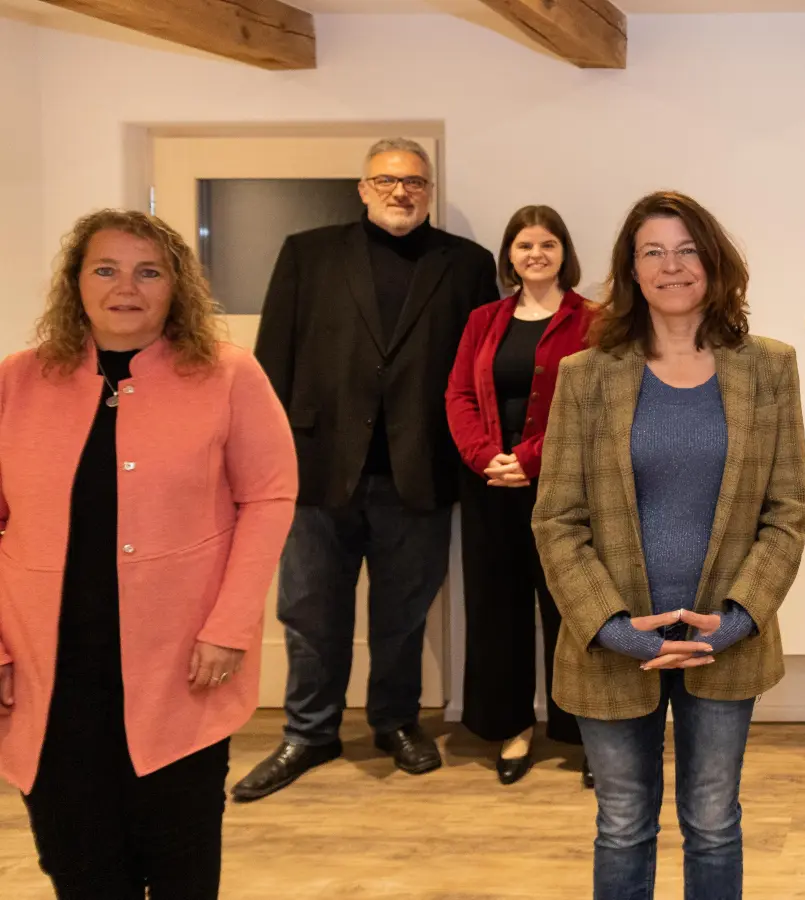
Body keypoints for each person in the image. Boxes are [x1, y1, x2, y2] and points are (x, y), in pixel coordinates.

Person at [0, 209, 296, 896]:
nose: (124, 287)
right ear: (75, 283)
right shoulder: (16, 382)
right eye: (105, 269)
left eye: (148, 271)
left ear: (176, 286)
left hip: (180, 666)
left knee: (179, 861)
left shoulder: (227, 374)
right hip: (49, 671)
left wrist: (229, 627)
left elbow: (270, 498)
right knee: (77, 862)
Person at [532, 190, 805, 899]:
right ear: (631, 269)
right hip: (612, 645)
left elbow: (787, 512)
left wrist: (741, 620)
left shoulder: (768, 369)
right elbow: (557, 519)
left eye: (687, 250)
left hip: (725, 643)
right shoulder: (585, 376)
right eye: (652, 251)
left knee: (713, 821)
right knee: (623, 823)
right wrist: (621, 633)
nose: (672, 266)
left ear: (714, 265)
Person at [234, 138, 499, 801]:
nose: (400, 192)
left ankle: (395, 722)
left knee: (402, 616)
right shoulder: (307, 253)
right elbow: (273, 363)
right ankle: (309, 731)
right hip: (318, 470)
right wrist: (263, 463)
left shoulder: (467, 264)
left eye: (413, 181)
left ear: (429, 190)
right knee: (310, 612)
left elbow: (482, 371)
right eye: (386, 181)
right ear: (361, 188)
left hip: (421, 469)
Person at [445, 205, 597, 786]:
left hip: (565, 488)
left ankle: (586, 731)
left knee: (571, 611)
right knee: (497, 613)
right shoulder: (484, 318)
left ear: (564, 253)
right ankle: (512, 726)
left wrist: (531, 459)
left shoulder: (594, 321)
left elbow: (595, 406)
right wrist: (487, 457)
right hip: (491, 487)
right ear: (508, 254)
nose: (535, 254)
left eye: (548, 244)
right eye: (524, 244)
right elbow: (457, 394)